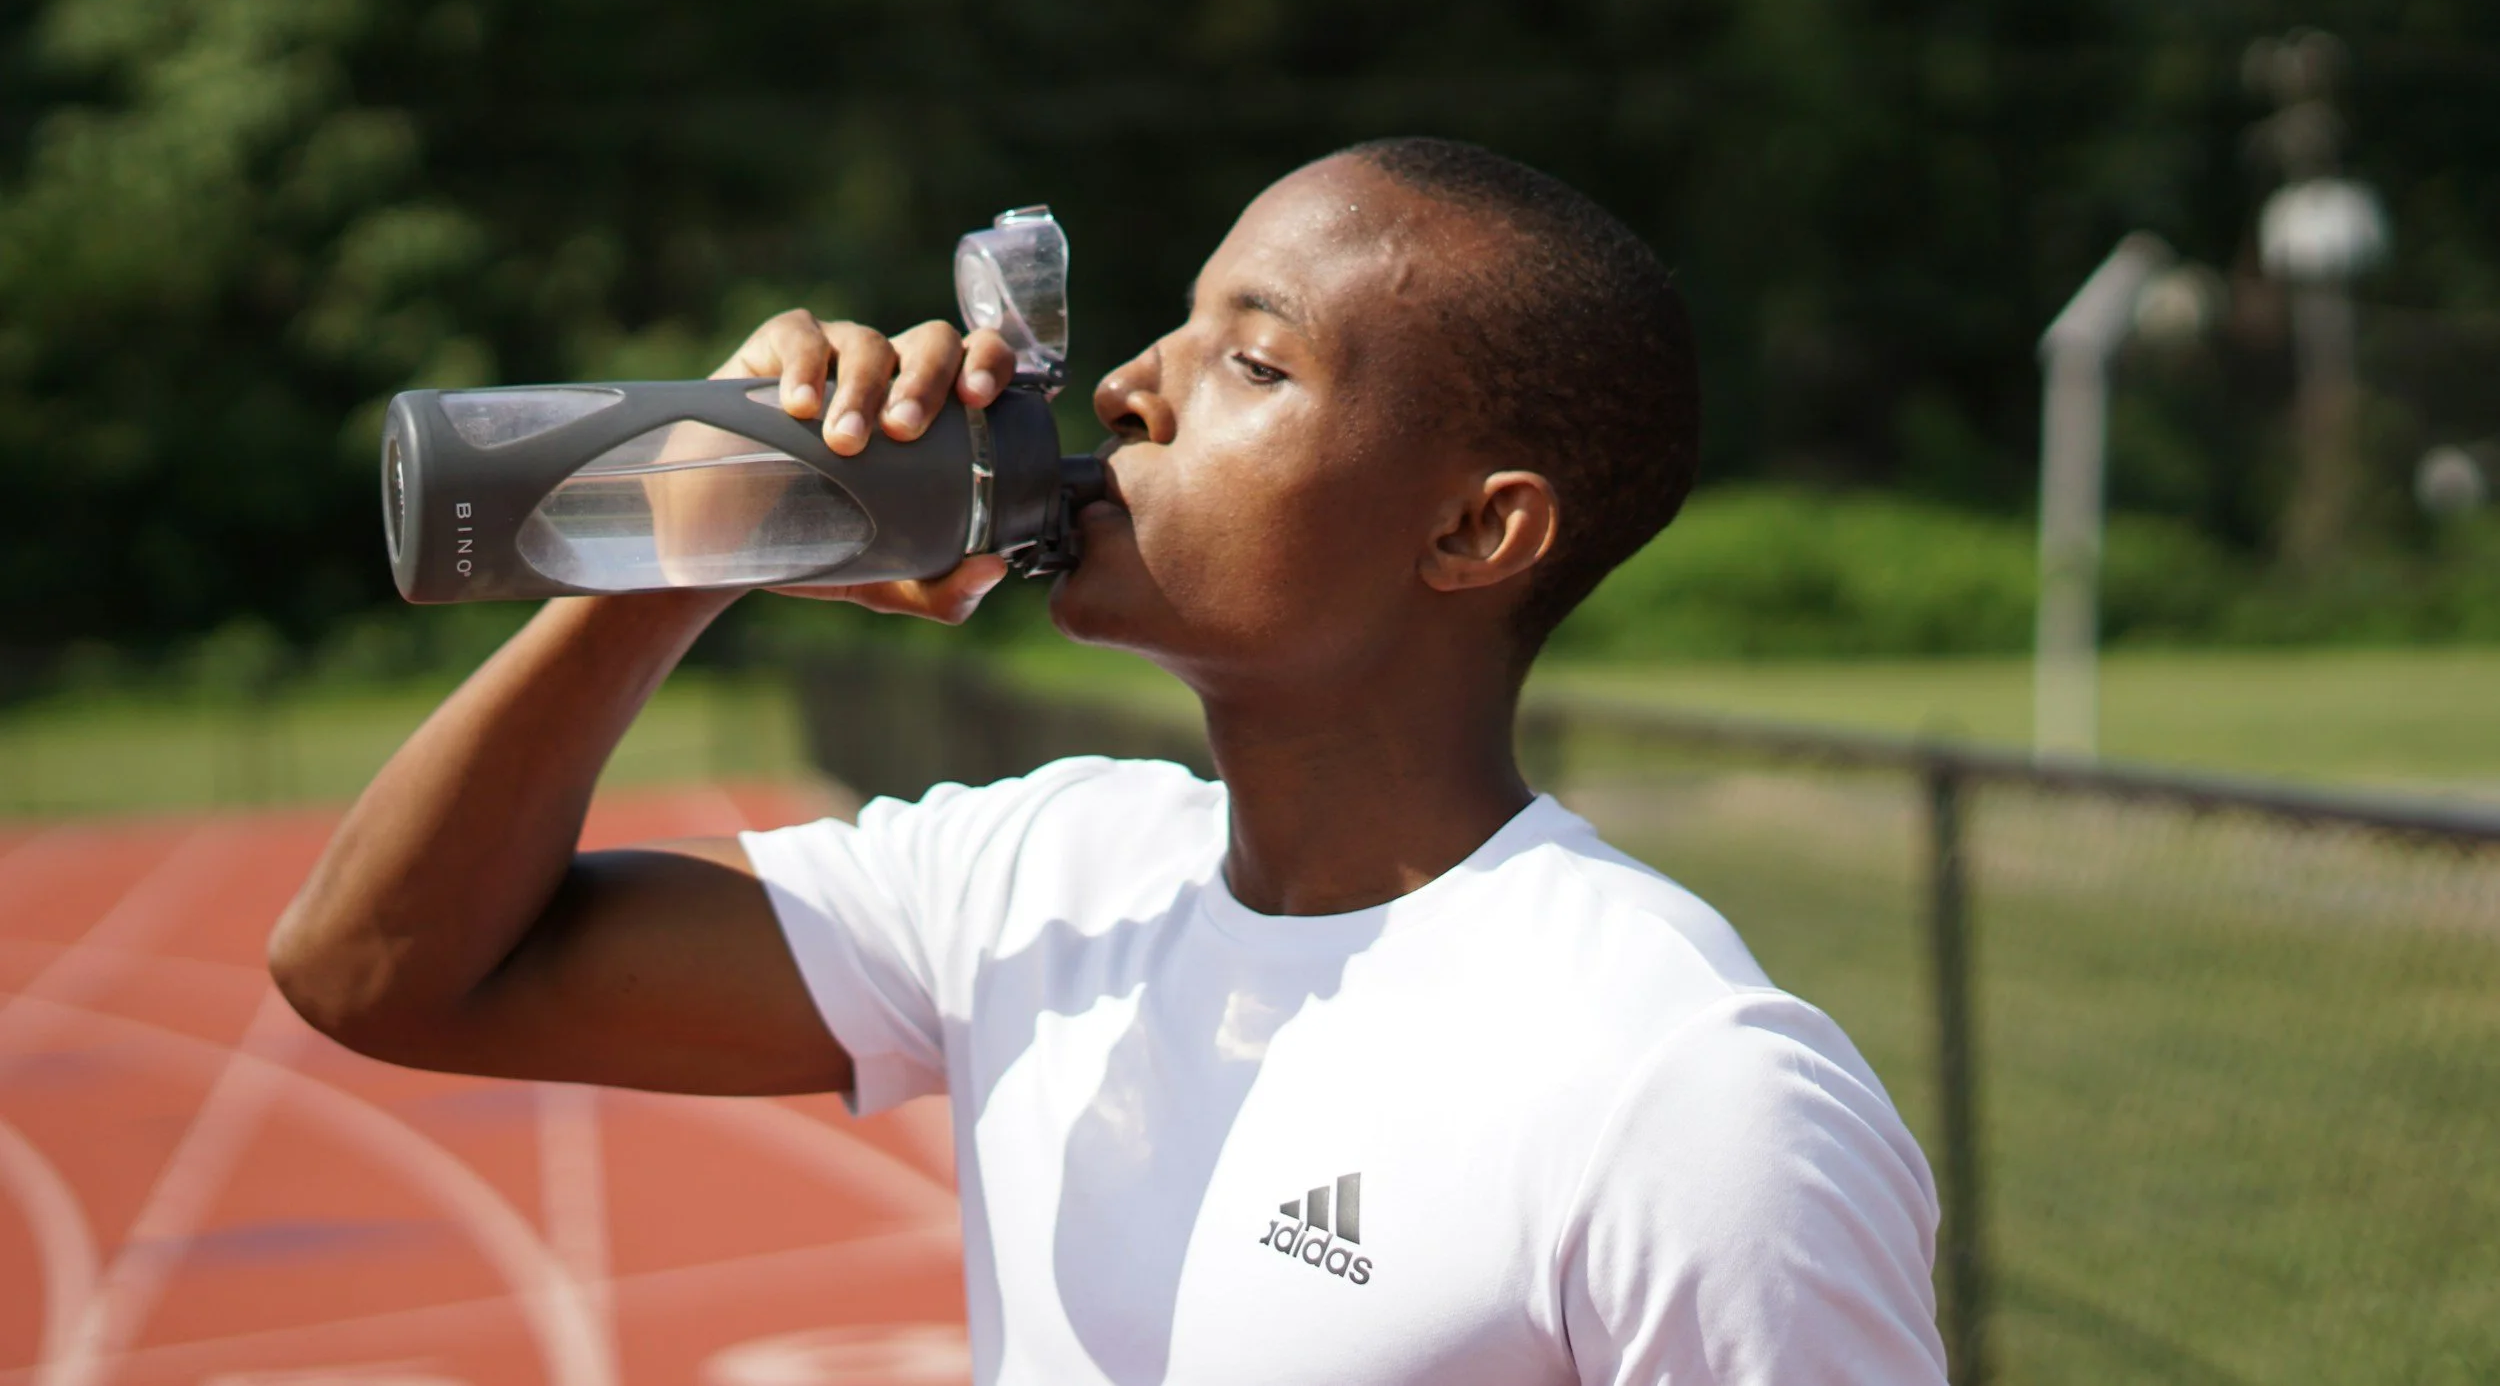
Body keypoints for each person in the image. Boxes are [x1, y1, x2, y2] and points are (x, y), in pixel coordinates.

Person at [271, 138, 1948, 1385]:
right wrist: (700, 527)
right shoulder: (1044, 872)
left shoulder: (1686, 1088)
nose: (1134, 389)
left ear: (1473, 527)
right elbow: (383, 968)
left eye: (1254, 359)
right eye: (1172, 329)